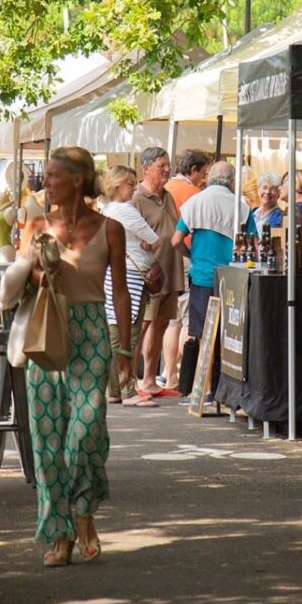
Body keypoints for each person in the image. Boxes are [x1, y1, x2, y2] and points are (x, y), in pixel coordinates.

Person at [16, 147, 132, 566]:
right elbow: (19, 281)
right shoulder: (36, 224)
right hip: (48, 330)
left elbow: (120, 289)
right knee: (48, 437)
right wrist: (39, 271)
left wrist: (126, 348)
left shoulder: (111, 229)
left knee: (84, 431)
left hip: (90, 331)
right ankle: (59, 533)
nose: (45, 183)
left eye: (52, 176)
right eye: (44, 176)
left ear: (77, 181)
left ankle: (83, 512)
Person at [171, 162, 249, 402]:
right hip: (231, 277)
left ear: (209, 177)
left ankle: (201, 389)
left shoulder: (195, 202)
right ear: (232, 180)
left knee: (203, 333)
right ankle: (220, 388)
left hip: (202, 275)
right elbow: (253, 240)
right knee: (228, 335)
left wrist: (191, 257)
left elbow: (175, 240)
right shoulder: (240, 206)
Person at [101, 165, 160, 408]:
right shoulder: (124, 210)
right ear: (117, 186)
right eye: (130, 183)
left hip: (116, 273)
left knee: (117, 332)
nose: (134, 187)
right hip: (132, 275)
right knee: (128, 333)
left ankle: (114, 388)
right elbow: (154, 239)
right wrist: (149, 243)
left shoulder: (106, 208)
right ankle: (127, 389)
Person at [132, 147, 185, 397]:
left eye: (168, 165)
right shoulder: (136, 198)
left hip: (170, 270)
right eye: (161, 166)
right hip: (149, 275)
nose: (167, 170)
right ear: (146, 168)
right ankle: (129, 381)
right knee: (142, 325)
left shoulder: (168, 196)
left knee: (161, 324)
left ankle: (151, 380)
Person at [161, 149, 210, 389]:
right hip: (186, 257)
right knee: (188, 320)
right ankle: (185, 377)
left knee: (173, 320)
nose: (204, 178)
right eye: (203, 173)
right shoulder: (194, 194)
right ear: (193, 170)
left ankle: (169, 374)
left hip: (165, 260)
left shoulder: (166, 187)